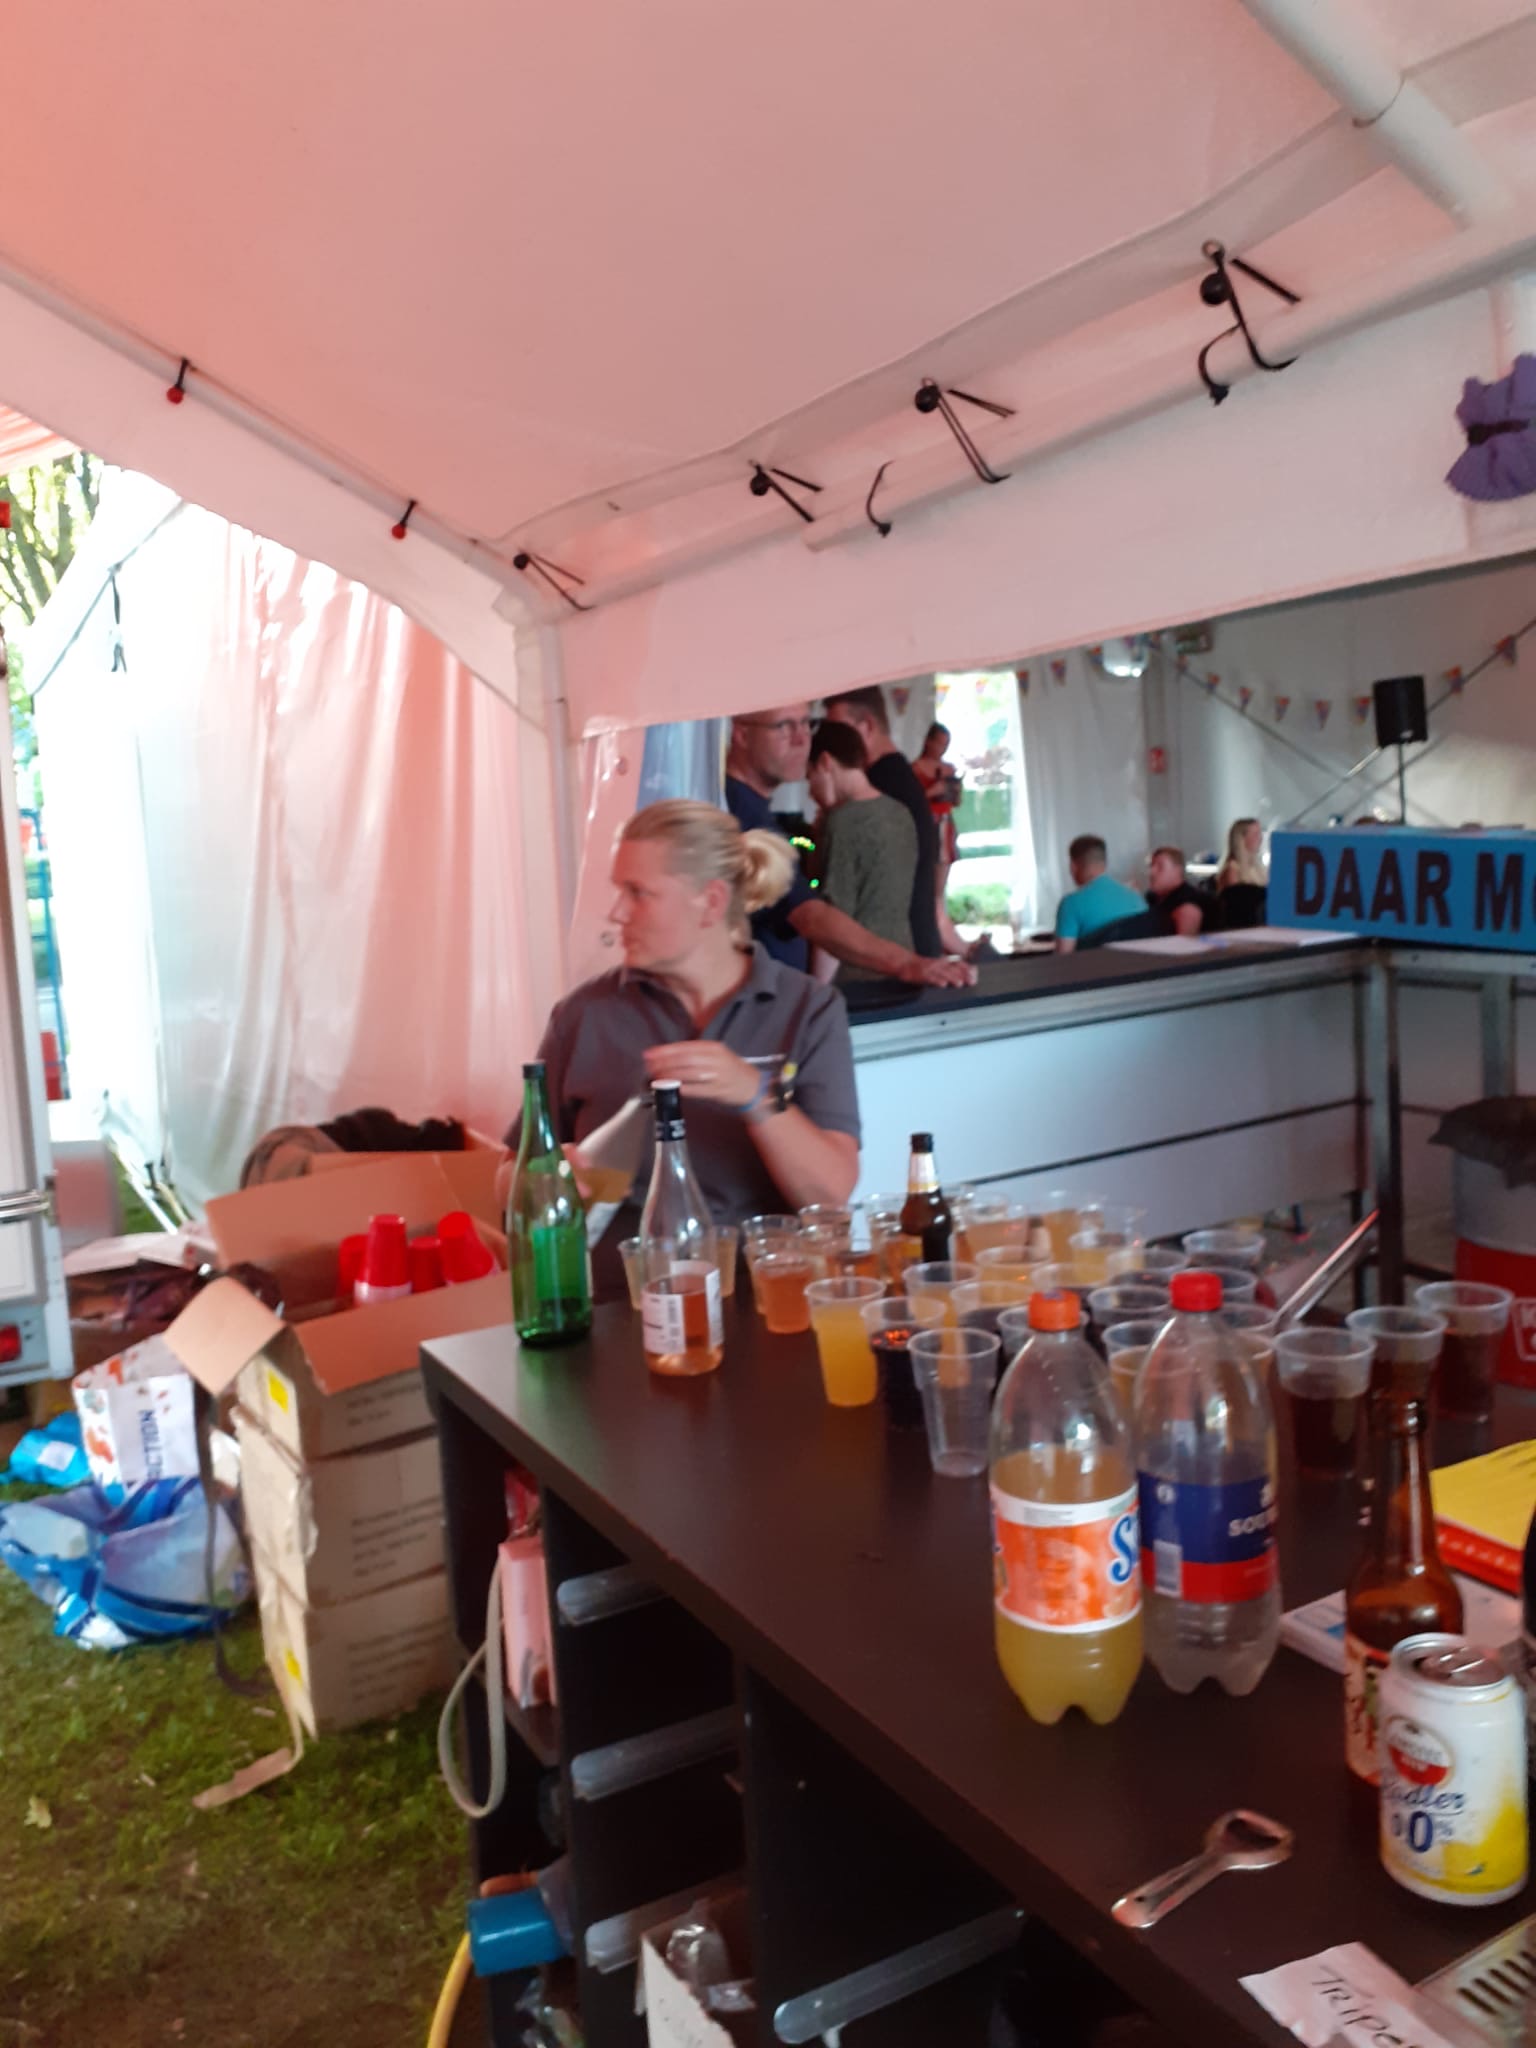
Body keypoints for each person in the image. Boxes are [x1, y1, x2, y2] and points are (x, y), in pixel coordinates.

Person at [502, 801, 861, 1299]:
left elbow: (830, 1195)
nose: (616, 912)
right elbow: (507, 1176)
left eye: (638, 893)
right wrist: (541, 1181)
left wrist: (756, 1096)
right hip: (616, 1310)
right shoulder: (583, 1015)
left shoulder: (808, 1009)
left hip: (765, 1306)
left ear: (710, 902)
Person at [724, 704, 972, 988]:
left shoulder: (827, 818)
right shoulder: (738, 814)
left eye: (805, 723)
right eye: (784, 726)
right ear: (741, 734)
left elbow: (818, 911)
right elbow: (809, 914)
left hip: (851, 981)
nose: (802, 739)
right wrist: (907, 963)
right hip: (783, 994)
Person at [822, 687, 975, 962]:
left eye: (838, 731)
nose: (829, 742)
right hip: (910, 949)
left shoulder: (878, 788)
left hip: (896, 956)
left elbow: (852, 894)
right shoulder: (900, 776)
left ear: (867, 726)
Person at [805, 722, 918, 979]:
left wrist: (817, 992)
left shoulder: (842, 822)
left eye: (809, 776)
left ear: (825, 762)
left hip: (855, 975)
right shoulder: (900, 813)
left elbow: (833, 921)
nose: (810, 792)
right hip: (902, 963)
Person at [1053, 835, 1147, 954]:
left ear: (1073, 866)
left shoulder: (1070, 904)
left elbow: (1064, 957)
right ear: (1104, 863)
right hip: (1138, 965)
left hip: (1092, 966)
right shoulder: (1137, 899)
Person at [912, 722, 963, 895]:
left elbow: (956, 803)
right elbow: (911, 801)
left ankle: (938, 906)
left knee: (939, 888)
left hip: (944, 824)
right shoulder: (915, 768)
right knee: (923, 882)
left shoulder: (949, 769)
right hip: (924, 825)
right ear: (929, 742)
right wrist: (931, 792)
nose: (942, 749)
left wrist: (955, 789)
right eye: (940, 743)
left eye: (946, 745)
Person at [1146, 846, 1209, 937]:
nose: (1151, 872)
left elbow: (1184, 943)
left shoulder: (1188, 903)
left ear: (1178, 870)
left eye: (1160, 867)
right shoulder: (1152, 898)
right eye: (1151, 866)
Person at [1217, 818, 1266, 891]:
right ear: (1242, 839)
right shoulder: (1232, 869)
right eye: (1255, 834)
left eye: (1260, 834)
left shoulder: (1256, 867)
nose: (1260, 839)